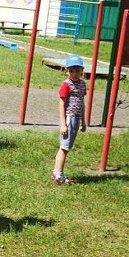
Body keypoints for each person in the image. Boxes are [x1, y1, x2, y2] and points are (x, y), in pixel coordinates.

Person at [52, 55, 87, 185]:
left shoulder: (82, 84)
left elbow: (82, 103)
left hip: (77, 118)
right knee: (64, 147)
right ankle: (58, 174)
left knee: (67, 147)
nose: (74, 73)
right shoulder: (66, 84)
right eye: (71, 71)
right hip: (69, 118)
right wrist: (63, 124)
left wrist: (83, 121)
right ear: (67, 71)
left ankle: (57, 172)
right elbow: (61, 104)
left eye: (77, 70)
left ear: (82, 70)